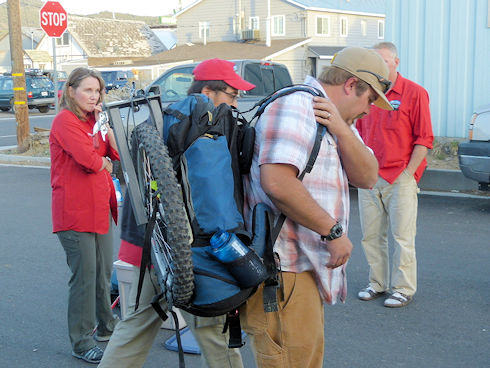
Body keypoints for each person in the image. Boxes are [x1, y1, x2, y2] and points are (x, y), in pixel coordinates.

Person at [240, 46, 394, 368]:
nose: (370, 110)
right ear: (352, 85)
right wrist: (332, 231)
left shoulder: (332, 117)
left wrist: (341, 129)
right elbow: (278, 182)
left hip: (299, 272)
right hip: (282, 273)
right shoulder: (298, 105)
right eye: (369, 99)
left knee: (304, 359)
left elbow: (367, 176)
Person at [98, 58, 255, 368]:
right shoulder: (203, 125)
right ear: (209, 91)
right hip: (191, 253)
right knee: (214, 333)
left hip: (147, 247)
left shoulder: (163, 117)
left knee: (135, 326)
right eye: (233, 95)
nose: (236, 102)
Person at [49, 67, 120, 364]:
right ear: (71, 91)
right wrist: (102, 161)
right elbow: (90, 161)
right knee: (85, 278)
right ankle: (81, 341)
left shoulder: (95, 121)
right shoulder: (64, 121)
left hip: (99, 208)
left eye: (97, 91)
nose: (94, 96)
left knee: (103, 273)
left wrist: (106, 128)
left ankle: (107, 326)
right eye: (88, 90)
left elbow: (115, 155)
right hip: (74, 212)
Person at [356, 42, 434, 308]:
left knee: (402, 236)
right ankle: (377, 283)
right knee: (371, 235)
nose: (379, 67)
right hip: (369, 177)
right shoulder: (367, 93)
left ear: (396, 62)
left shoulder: (415, 93)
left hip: (400, 176)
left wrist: (410, 175)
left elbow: (424, 139)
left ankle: (403, 288)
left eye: (384, 61)